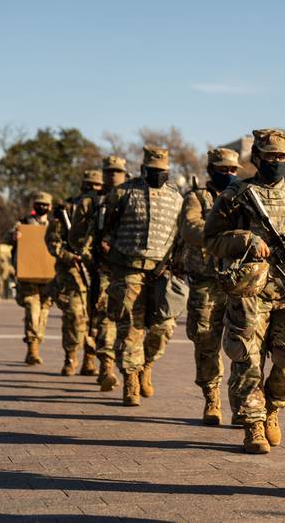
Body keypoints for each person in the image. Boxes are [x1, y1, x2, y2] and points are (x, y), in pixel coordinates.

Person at [203, 129, 285, 453]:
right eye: (270, 156)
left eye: (282, 156)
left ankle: (271, 409)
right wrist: (246, 240)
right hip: (250, 292)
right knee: (248, 360)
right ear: (256, 158)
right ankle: (252, 424)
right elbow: (211, 239)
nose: (276, 162)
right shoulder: (236, 196)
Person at [102, 146, 183, 406]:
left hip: (162, 271)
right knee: (130, 327)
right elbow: (104, 227)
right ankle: (131, 379)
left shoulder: (176, 198)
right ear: (143, 169)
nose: (158, 175)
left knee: (164, 326)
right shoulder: (123, 193)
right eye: (153, 170)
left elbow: (180, 235)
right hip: (129, 269)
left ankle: (146, 365)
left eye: (162, 171)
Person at [179, 147, 240, 425]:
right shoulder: (197, 197)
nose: (228, 174)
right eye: (222, 169)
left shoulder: (244, 195)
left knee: (244, 344)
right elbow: (190, 228)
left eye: (232, 170)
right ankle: (211, 397)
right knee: (206, 341)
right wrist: (226, 238)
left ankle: (243, 404)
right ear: (210, 170)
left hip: (239, 281)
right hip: (206, 281)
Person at [70, 155, 128, 391]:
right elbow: (75, 236)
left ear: (125, 174)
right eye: (109, 171)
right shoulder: (90, 203)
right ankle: (106, 368)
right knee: (104, 316)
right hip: (103, 268)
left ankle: (140, 371)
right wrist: (88, 249)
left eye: (117, 171)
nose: (113, 175)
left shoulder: (134, 196)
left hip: (132, 268)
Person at [46, 170, 102, 376]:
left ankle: (90, 360)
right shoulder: (66, 210)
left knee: (96, 317)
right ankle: (70, 358)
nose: (92, 190)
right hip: (72, 273)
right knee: (74, 316)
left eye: (97, 186)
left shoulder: (104, 208)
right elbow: (52, 241)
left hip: (96, 271)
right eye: (89, 186)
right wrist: (69, 256)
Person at [9, 192, 54, 365]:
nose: (42, 207)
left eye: (45, 204)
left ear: (50, 207)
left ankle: (36, 341)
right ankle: (32, 348)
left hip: (49, 277)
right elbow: (7, 238)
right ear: (34, 205)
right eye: (39, 204)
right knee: (32, 307)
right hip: (28, 275)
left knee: (44, 311)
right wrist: (15, 237)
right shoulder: (23, 223)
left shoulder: (54, 225)